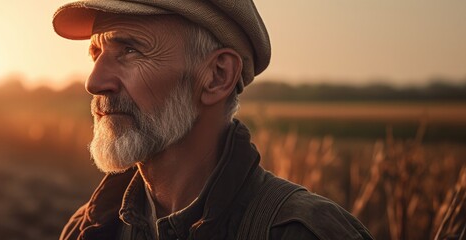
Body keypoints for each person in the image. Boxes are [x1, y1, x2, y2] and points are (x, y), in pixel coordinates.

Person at [52, 0, 374, 239]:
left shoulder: (303, 234)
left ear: (217, 76)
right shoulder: (88, 228)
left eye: (130, 50)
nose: (94, 82)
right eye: (96, 54)